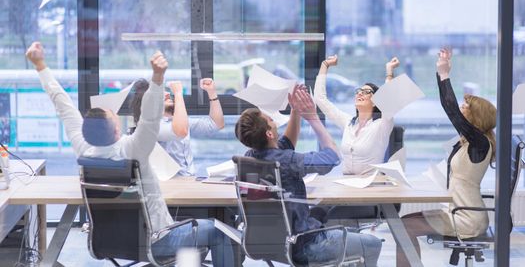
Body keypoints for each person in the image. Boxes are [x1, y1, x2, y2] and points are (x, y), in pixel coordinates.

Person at [25, 42, 234, 267]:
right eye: (114, 115)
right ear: (116, 129)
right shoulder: (134, 149)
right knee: (219, 231)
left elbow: (63, 105)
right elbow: (151, 117)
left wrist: (40, 65)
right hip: (158, 240)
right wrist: (157, 77)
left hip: (106, 242)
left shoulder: (84, 148)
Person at [235, 85, 382, 266]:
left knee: (325, 211)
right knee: (372, 244)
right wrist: (313, 118)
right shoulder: (287, 161)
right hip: (304, 246)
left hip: (271, 245)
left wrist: (295, 111)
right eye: (271, 119)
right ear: (269, 133)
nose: (274, 120)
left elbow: (285, 144)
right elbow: (332, 158)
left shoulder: (249, 159)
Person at [396, 48, 496, 267]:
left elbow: (449, 108)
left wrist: (444, 73)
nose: (461, 108)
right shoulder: (472, 142)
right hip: (458, 211)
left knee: (404, 226)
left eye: (466, 107)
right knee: (403, 224)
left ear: (476, 117)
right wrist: (439, 70)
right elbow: (450, 107)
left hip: (466, 218)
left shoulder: (479, 142)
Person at [314, 54, 400, 175]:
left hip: (371, 187)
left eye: (366, 92)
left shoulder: (382, 125)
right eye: (358, 91)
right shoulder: (348, 123)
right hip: (347, 185)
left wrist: (389, 72)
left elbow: (388, 102)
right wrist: (325, 65)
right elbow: (320, 100)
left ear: (376, 102)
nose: (360, 94)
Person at [130, 78, 224, 176]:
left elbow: (216, 124)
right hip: (170, 185)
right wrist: (178, 93)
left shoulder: (176, 120)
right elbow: (181, 131)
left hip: (189, 180)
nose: (167, 94)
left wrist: (212, 92)